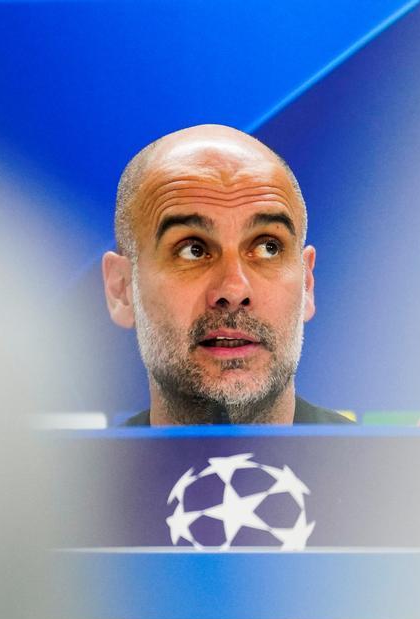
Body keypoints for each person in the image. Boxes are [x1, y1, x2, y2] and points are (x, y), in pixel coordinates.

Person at [101, 124, 353, 426]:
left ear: (307, 285)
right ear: (121, 289)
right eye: (192, 250)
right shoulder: (76, 475)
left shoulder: (391, 473)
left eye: (268, 248)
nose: (234, 289)